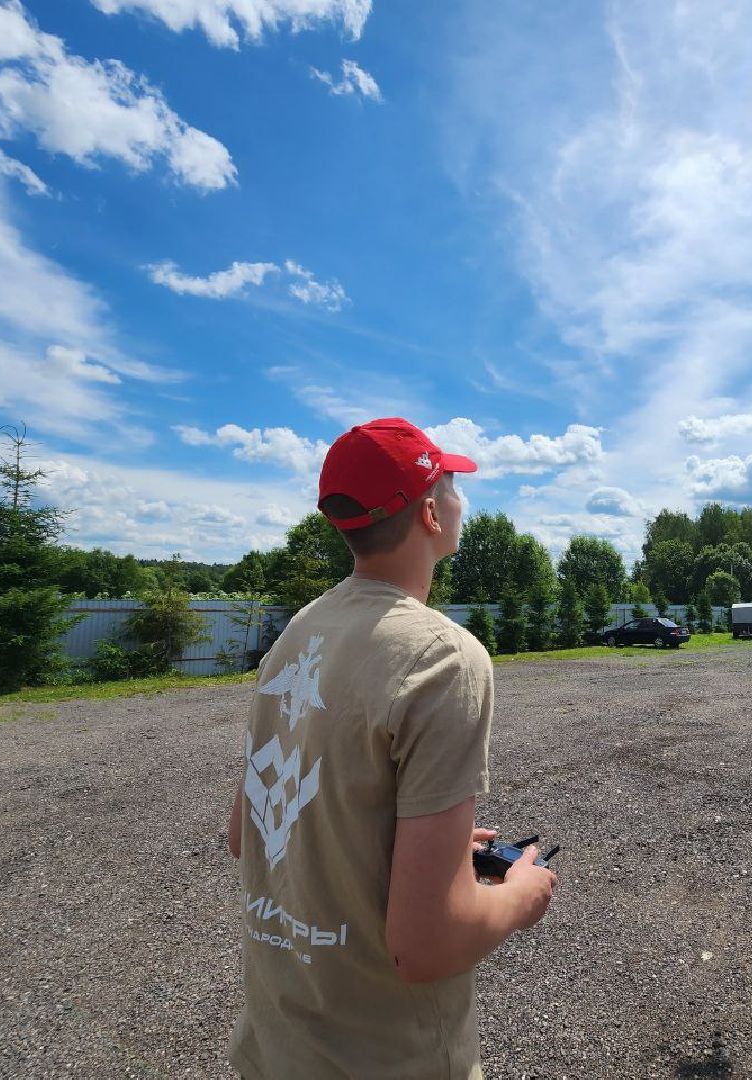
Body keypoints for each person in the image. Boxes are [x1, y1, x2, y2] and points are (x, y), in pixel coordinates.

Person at [226, 417, 557, 1079]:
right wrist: (521, 895)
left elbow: (248, 832)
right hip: (385, 1059)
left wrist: (411, 848)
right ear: (430, 514)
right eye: (452, 485)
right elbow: (426, 947)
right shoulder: (443, 658)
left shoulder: (300, 632)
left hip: (276, 1049)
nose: (461, 500)